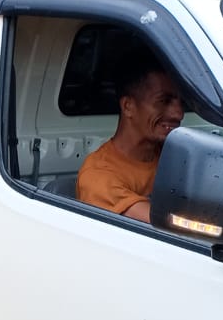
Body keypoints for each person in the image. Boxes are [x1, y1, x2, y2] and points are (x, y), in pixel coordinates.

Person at [76, 52, 185, 224]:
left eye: (181, 102)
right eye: (163, 101)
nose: (178, 114)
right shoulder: (97, 176)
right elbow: (169, 225)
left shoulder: (173, 156)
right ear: (128, 107)